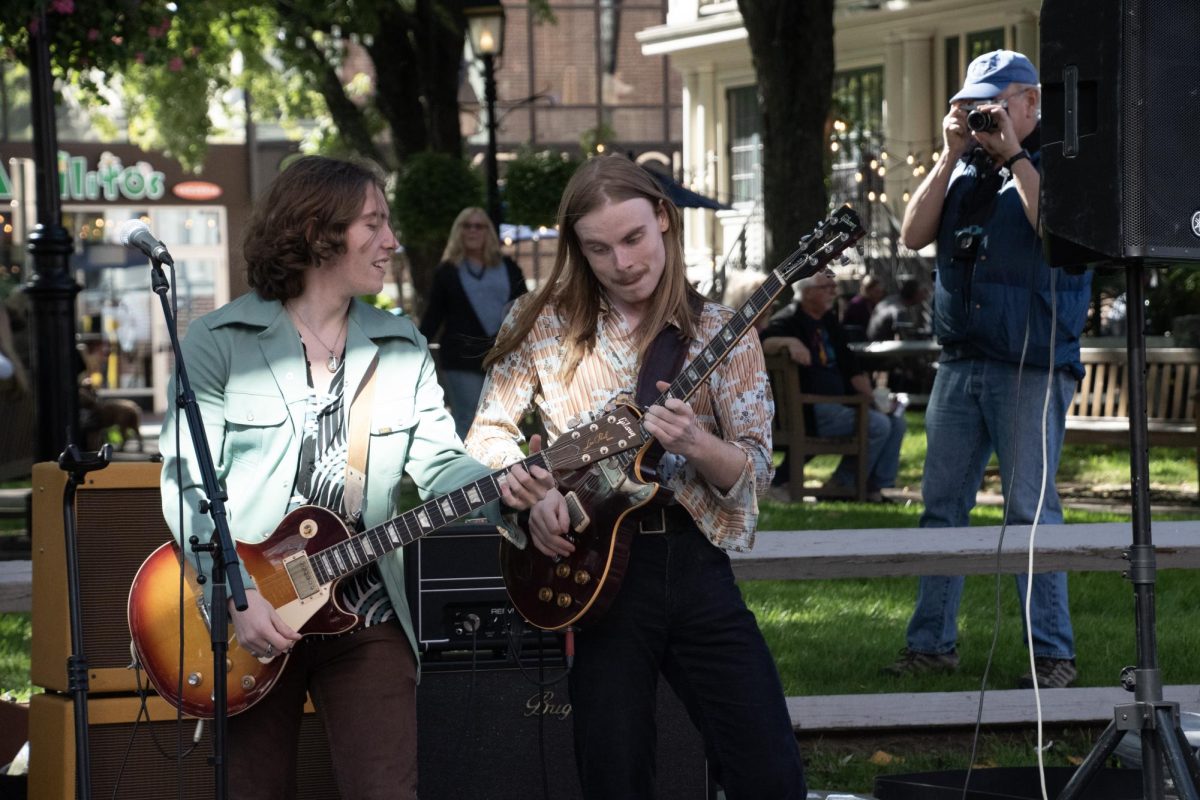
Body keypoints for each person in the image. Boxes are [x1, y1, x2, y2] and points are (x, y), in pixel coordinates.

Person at [158, 156, 553, 799]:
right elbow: (188, 487)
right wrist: (232, 592)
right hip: (251, 612)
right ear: (318, 231)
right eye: (373, 225)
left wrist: (504, 486)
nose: (391, 242)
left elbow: (440, 463)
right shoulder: (217, 343)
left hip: (364, 609)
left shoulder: (400, 347)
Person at [466, 155, 805, 799]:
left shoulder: (717, 330)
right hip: (593, 571)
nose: (622, 263)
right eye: (598, 248)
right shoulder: (538, 323)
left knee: (767, 763)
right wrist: (530, 495)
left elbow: (755, 468)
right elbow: (485, 435)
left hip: (694, 559)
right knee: (614, 772)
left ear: (665, 223)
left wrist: (699, 443)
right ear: (576, 249)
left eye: (633, 239)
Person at [884, 50, 1092, 689]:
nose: (984, 114)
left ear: (1030, 102)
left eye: (997, 102)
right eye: (974, 103)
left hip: (1029, 366)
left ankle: (1051, 655)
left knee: (1031, 512)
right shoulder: (964, 168)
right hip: (961, 361)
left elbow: (1061, 236)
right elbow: (912, 236)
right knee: (940, 509)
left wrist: (1013, 157)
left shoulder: (1065, 162)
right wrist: (948, 157)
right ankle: (930, 646)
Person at [761, 271, 906, 503]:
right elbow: (762, 342)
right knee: (878, 425)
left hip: (843, 404)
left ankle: (872, 488)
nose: (833, 292)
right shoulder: (787, 320)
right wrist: (789, 341)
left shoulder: (829, 321)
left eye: (833, 286)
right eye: (826, 287)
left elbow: (852, 368)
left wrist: (876, 400)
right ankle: (842, 485)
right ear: (807, 292)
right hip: (810, 410)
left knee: (896, 421)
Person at [419, 207, 527, 438]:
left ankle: (500, 472)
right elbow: (433, 316)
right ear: (458, 232)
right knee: (468, 419)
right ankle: (469, 475)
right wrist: (413, 346)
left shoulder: (509, 267)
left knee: (501, 421)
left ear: (488, 231)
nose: (473, 231)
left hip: (503, 356)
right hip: (461, 358)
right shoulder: (447, 271)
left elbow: (525, 308)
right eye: (466, 226)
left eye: (479, 226)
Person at [866, 277, 929, 342]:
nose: (925, 296)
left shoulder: (891, 300)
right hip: (881, 348)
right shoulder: (899, 310)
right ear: (915, 294)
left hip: (874, 344)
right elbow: (903, 340)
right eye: (923, 292)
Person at [841, 273, 884, 339]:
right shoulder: (857, 304)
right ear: (868, 290)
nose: (879, 295)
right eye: (876, 291)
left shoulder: (874, 303)